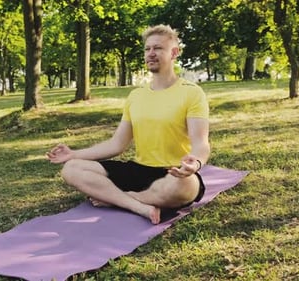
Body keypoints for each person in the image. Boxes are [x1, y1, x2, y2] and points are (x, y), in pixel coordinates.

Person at [47, 24, 210, 225]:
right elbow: (117, 144)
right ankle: (137, 205)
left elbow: (201, 143)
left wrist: (196, 163)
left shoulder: (192, 93)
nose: (151, 53)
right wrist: (73, 154)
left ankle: (116, 199)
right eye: (147, 49)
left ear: (174, 53)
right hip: (138, 170)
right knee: (71, 169)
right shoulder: (136, 96)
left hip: (173, 172)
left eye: (158, 48)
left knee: (186, 187)